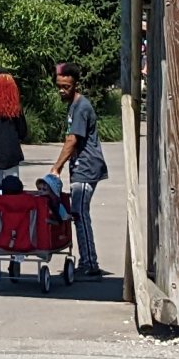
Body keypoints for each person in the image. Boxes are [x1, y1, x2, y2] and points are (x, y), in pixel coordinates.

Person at [52, 61, 108, 281]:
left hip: (86, 167)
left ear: (75, 85)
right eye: (59, 86)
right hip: (79, 167)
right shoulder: (73, 105)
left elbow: (72, 140)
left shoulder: (81, 107)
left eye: (66, 86)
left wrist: (57, 166)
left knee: (80, 213)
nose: (62, 90)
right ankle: (86, 261)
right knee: (78, 213)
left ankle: (90, 263)